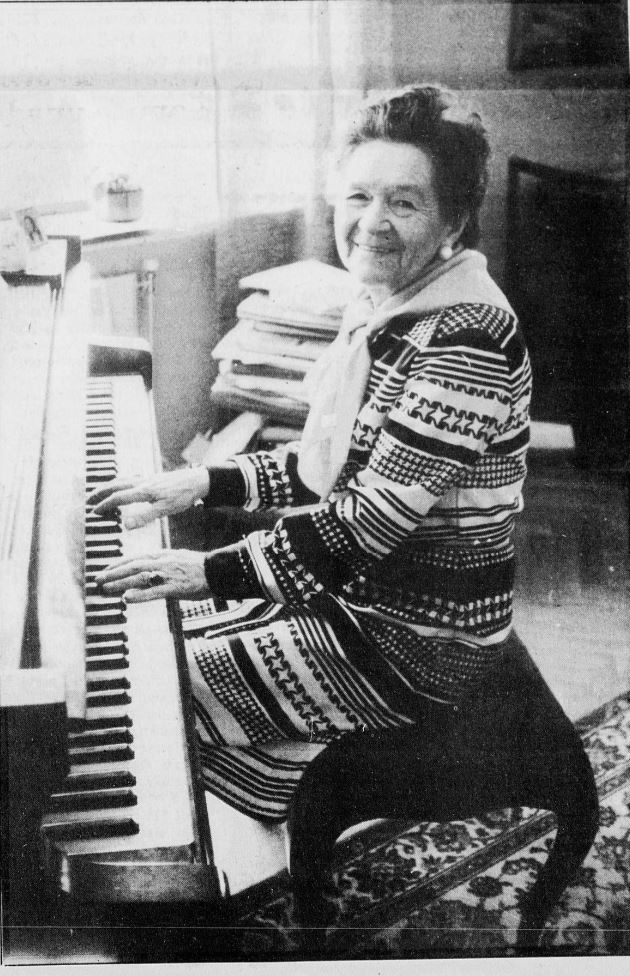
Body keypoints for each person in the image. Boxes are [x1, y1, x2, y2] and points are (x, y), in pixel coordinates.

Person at [91, 85, 533, 824]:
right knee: (147, 645)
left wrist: (207, 571)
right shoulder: (386, 307)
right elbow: (321, 467)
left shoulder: (466, 340)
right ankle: (259, 793)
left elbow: (364, 524)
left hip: (416, 645)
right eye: (358, 196)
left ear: (453, 220)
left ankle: (253, 816)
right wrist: (197, 482)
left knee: (141, 691)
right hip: (357, 602)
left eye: (403, 202)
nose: (371, 222)